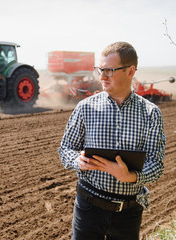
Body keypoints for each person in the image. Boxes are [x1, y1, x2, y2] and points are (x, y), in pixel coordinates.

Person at [58, 42, 166, 240]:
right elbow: (66, 149)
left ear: (130, 71)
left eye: (109, 70)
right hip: (88, 208)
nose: (101, 77)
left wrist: (131, 176)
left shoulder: (151, 114)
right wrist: (78, 161)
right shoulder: (85, 108)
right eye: (100, 70)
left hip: (128, 213)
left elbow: (156, 166)